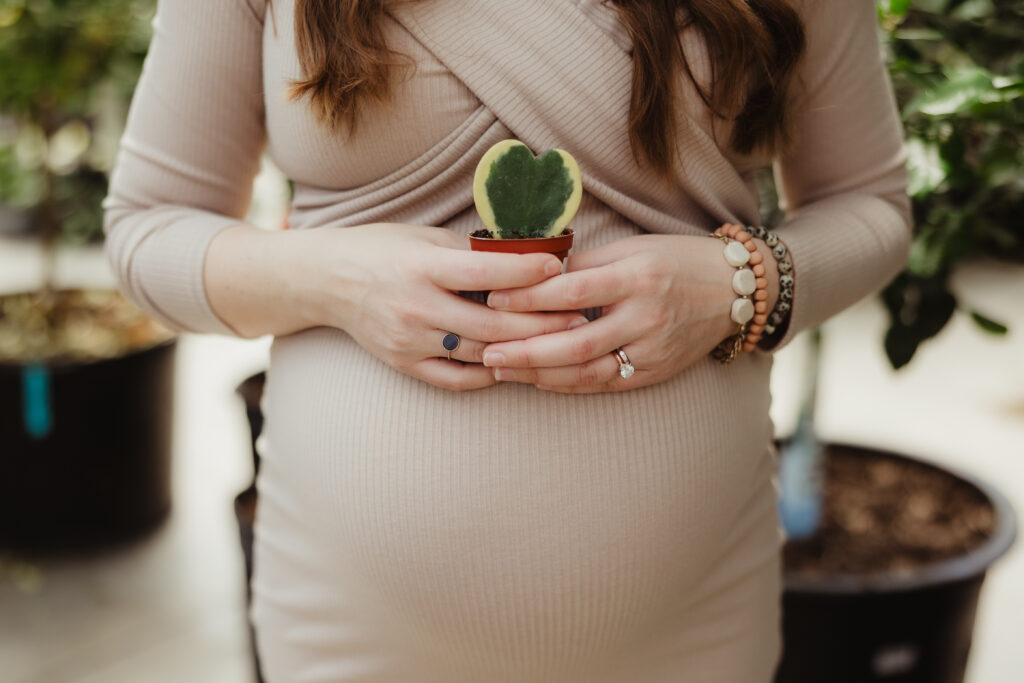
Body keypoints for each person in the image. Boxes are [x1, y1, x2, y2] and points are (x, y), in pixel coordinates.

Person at [102, 0, 911, 680]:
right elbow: (148, 228)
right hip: (349, 626)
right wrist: (338, 278)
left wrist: (743, 284)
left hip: (696, 621)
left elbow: (869, 200)